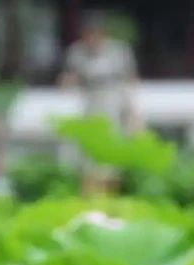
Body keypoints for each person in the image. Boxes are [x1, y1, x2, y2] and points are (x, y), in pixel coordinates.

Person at [59, 13, 139, 193]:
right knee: (88, 153)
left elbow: (130, 81)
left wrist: (133, 112)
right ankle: (89, 192)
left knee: (112, 151)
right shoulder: (77, 52)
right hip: (90, 102)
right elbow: (68, 80)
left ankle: (113, 191)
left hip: (114, 101)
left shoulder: (119, 50)